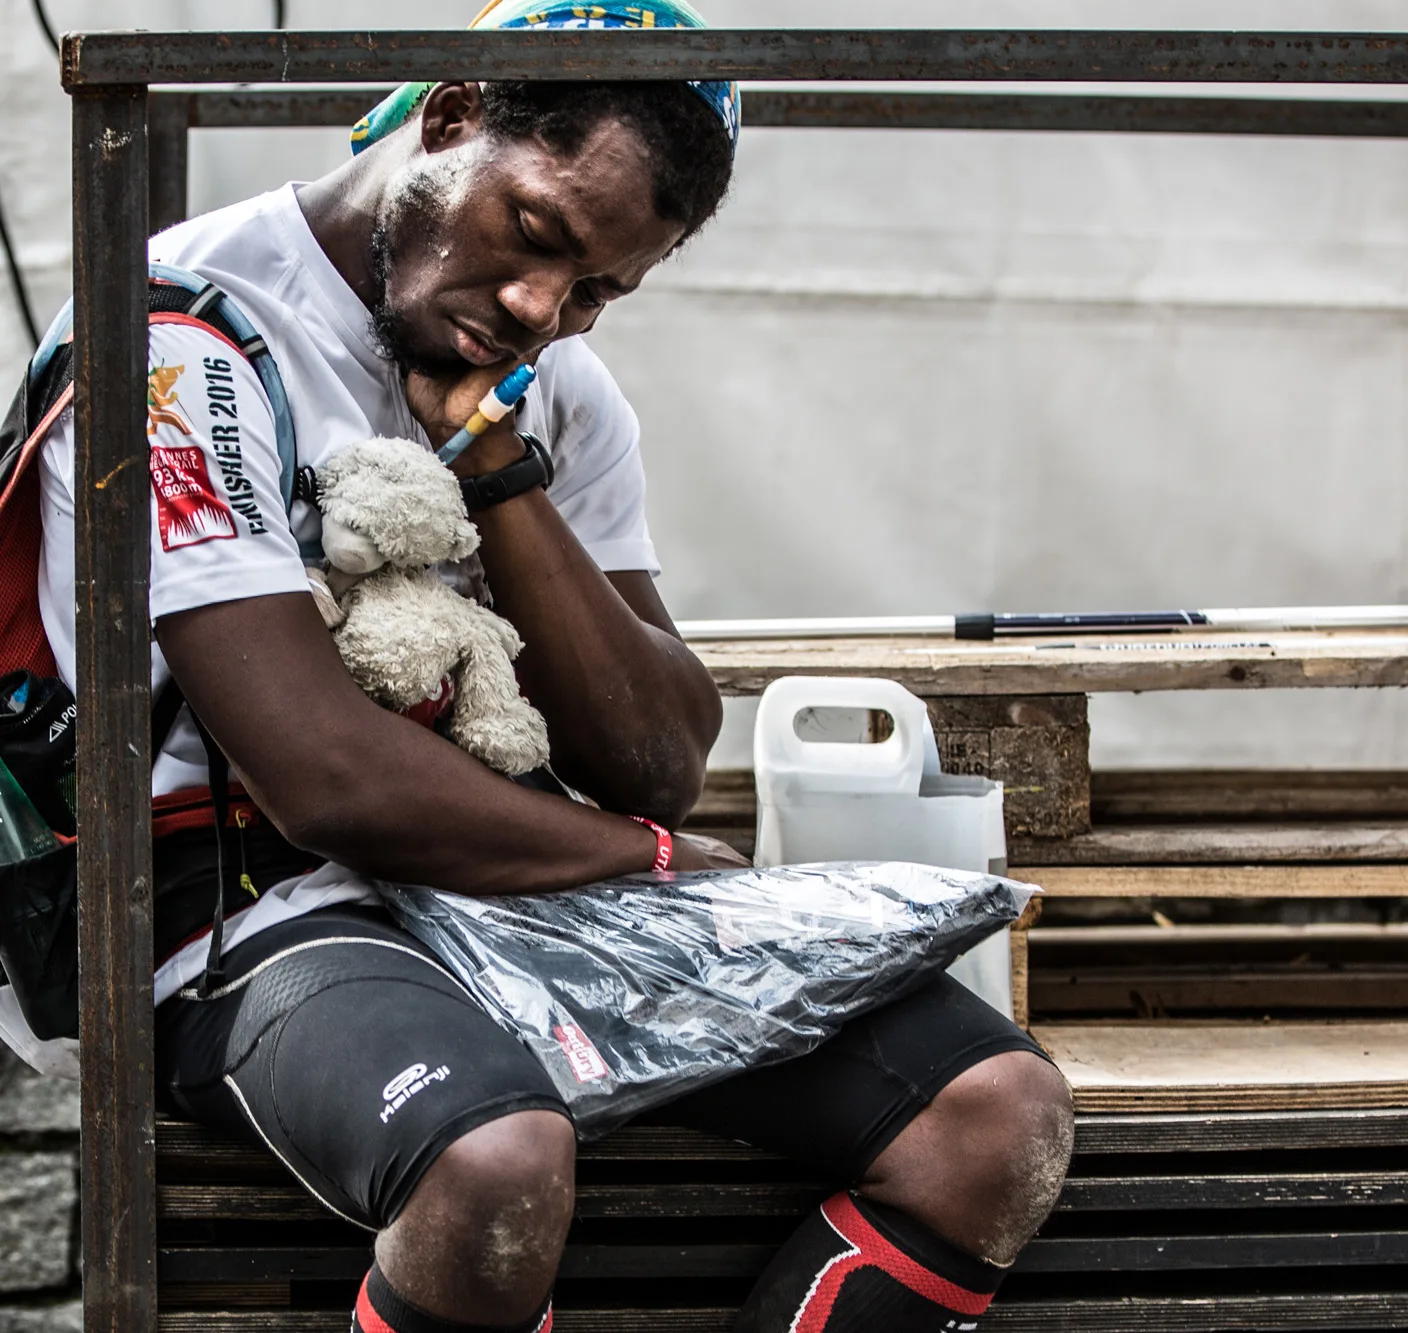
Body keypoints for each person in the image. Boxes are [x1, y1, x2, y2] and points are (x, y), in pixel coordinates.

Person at [25, 4, 1073, 1331]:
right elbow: (320, 778)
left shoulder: (551, 385)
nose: (539, 310)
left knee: (995, 1117)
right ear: (452, 116)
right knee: (494, 1166)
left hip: (509, 887)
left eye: (598, 291)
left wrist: (502, 479)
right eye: (533, 235)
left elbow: (652, 761)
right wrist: (637, 862)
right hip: (240, 902)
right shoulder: (182, 344)